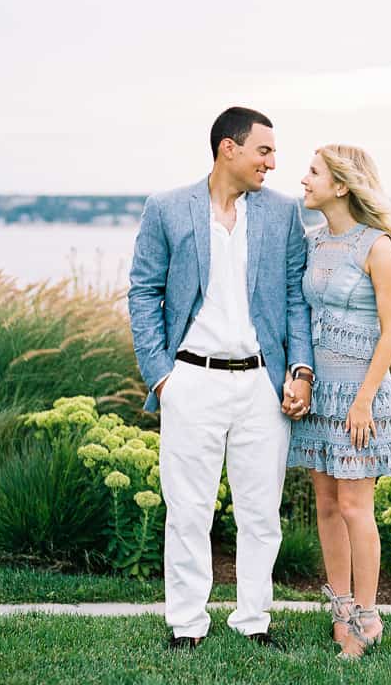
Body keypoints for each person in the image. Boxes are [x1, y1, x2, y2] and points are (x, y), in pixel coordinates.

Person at [128, 107, 314, 651]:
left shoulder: (282, 213)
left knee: (261, 514)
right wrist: (161, 377)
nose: (272, 163)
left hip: (261, 384)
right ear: (228, 149)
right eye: (264, 151)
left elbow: (296, 298)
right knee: (188, 511)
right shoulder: (166, 208)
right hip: (190, 380)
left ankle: (254, 620)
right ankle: (187, 625)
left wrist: (301, 371)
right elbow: (143, 292)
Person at [286, 144, 391, 659]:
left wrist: (363, 401)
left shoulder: (376, 245)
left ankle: (367, 616)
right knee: (327, 506)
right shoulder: (314, 243)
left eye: (313, 172)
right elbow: (301, 315)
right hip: (322, 395)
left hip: (361, 396)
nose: (304, 179)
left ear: (341, 185)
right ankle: (339, 610)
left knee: (357, 507)